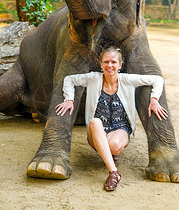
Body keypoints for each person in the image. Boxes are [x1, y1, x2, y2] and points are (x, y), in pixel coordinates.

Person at [55, 47, 167, 191]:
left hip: (121, 128)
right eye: (106, 62)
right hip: (96, 132)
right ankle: (114, 172)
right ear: (100, 64)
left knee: (114, 145)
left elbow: (157, 79)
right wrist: (69, 99)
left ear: (120, 65)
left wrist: (154, 99)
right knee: (95, 122)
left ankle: (108, 155)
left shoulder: (127, 80)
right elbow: (69, 80)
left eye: (114, 62)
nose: (110, 65)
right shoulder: (93, 78)